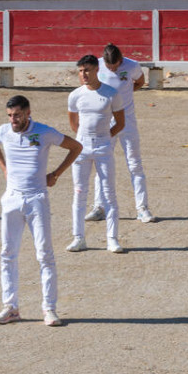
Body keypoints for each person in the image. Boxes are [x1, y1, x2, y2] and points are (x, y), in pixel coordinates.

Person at [0, 96, 83, 327]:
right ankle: (10, 307)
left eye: (17, 115)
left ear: (28, 113)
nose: (13, 120)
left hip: (37, 199)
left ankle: (49, 308)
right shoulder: (3, 131)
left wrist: (56, 174)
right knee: (7, 253)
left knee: (44, 254)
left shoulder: (44, 132)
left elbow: (76, 147)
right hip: (11, 199)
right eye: (10, 115)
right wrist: (4, 168)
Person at [67, 54, 127, 253]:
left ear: (96, 71)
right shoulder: (75, 95)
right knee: (79, 193)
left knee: (109, 194)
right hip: (82, 147)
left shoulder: (111, 93)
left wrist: (104, 137)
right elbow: (74, 122)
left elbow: (120, 123)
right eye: (81, 71)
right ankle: (78, 238)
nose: (84, 74)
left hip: (103, 147)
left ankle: (112, 238)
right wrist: (83, 139)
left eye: (87, 70)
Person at [90, 43, 156, 223]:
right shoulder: (96, 65)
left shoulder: (132, 65)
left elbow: (140, 82)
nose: (113, 68)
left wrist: (125, 93)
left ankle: (142, 208)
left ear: (121, 59)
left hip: (127, 121)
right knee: (101, 162)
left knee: (135, 164)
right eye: (110, 66)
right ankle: (99, 206)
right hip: (105, 122)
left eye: (116, 65)